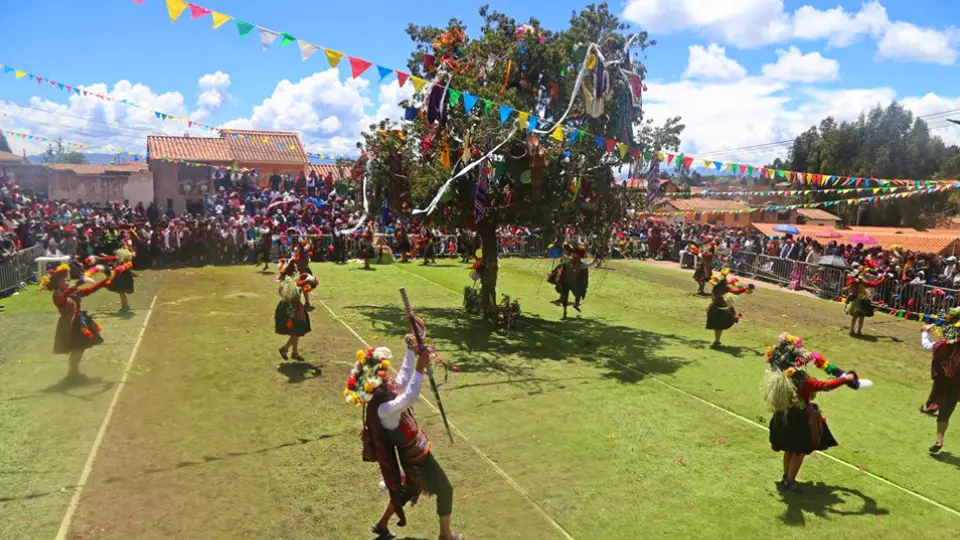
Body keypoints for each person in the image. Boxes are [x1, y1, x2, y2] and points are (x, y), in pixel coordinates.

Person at [345, 340, 464, 540]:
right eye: (383, 373)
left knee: (409, 489)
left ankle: (381, 525)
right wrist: (419, 367)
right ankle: (445, 535)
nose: (388, 376)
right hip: (418, 460)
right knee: (446, 490)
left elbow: (403, 378)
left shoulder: (384, 394)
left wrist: (410, 351)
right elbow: (408, 397)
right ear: (376, 380)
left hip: (414, 457)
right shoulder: (383, 408)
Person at [764, 333, 856, 492]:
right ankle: (790, 481)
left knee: (789, 449)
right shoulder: (804, 381)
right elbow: (825, 386)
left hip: (782, 417)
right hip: (799, 421)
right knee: (798, 452)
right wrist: (844, 379)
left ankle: (786, 476)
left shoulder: (780, 376)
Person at [42, 263, 127, 380]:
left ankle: (73, 372)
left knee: (80, 348)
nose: (67, 282)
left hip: (79, 320)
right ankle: (72, 373)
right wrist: (79, 282)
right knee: (77, 347)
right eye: (63, 281)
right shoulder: (57, 296)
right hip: (70, 324)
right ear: (57, 284)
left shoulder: (71, 291)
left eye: (67, 280)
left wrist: (103, 283)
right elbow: (64, 296)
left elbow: (88, 291)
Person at [920, 321, 960, 454]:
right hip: (956, 385)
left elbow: (926, 346)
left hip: (943, 384)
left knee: (941, 408)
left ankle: (940, 440)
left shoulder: (941, 345)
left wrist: (925, 332)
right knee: (945, 413)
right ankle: (939, 439)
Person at [275, 259, 314, 362]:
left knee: (297, 331)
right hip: (293, 309)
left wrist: (308, 285)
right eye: (295, 269)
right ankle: (285, 349)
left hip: (289, 307)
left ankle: (294, 353)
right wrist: (309, 281)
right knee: (297, 331)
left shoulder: (286, 281)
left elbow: (302, 287)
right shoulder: (290, 282)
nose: (297, 270)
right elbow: (298, 287)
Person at [705, 268, 754, 347]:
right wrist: (745, 288)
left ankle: (717, 341)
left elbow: (728, 284)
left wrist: (735, 283)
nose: (727, 282)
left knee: (719, 326)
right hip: (721, 308)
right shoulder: (724, 288)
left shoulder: (716, 287)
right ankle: (717, 341)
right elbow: (736, 292)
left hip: (714, 307)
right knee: (720, 325)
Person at [548, 244, 589, 319]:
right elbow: (561, 262)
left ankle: (576, 305)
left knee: (578, 294)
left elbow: (588, 266)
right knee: (565, 298)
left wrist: (596, 259)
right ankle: (564, 313)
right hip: (565, 282)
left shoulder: (582, 265)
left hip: (573, 283)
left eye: (580, 255)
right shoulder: (567, 262)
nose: (578, 256)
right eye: (577, 255)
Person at [844, 269, 883, 336]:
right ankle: (855, 330)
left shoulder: (857, 280)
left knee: (859, 316)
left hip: (862, 299)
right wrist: (882, 279)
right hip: (860, 299)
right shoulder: (860, 281)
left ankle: (855, 330)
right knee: (859, 316)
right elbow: (873, 284)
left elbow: (871, 283)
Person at [292, 241, 314, 311]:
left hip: (303, 272)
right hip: (302, 271)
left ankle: (303, 302)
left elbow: (296, 261)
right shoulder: (302, 251)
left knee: (301, 288)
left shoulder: (302, 252)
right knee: (302, 288)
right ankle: (304, 302)